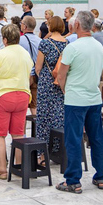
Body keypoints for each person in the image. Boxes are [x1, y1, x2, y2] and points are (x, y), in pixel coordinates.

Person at [55, 10, 103, 193]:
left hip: (75, 99)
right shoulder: (99, 46)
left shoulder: (73, 47)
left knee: (73, 139)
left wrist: (64, 88)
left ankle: (73, 179)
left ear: (77, 24)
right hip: (94, 98)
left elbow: (61, 75)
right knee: (96, 138)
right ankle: (101, 176)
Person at [0, 24, 34, 180]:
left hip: (3, 95)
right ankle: (18, 166)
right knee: (18, 134)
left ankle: (2, 169)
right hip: (22, 95)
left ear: (4, 39)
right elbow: (30, 76)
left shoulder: (0, 54)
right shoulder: (25, 54)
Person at [35, 15, 67, 153]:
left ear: (50, 26)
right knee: (58, 113)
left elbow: (38, 66)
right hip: (61, 82)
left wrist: (42, 76)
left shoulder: (45, 43)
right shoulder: (67, 43)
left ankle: (43, 149)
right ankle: (58, 146)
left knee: (44, 116)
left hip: (46, 81)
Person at [19, 15, 41, 115]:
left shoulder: (20, 40)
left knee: (21, 108)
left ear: (25, 26)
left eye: (22, 23)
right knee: (34, 105)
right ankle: (36, 129)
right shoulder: (40, 41)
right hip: (36, 75)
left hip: (24, 75)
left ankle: (21, 130)